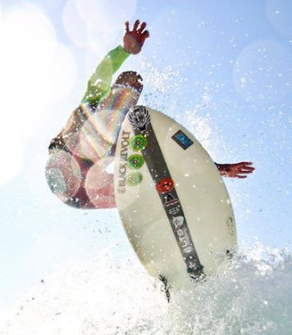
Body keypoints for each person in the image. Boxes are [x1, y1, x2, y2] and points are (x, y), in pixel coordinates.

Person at [46, 20, 255, 209]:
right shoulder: (90, 106)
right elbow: (101, 74)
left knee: (143, 179)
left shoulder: (128, 138)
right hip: (67, 178)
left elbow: (172, 153)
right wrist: (123, 50)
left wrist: (218, 169)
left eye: (130, 98)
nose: (129, 100)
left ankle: (162, 210)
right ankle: (150, 197)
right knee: (130, 80)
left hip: (84, 193)